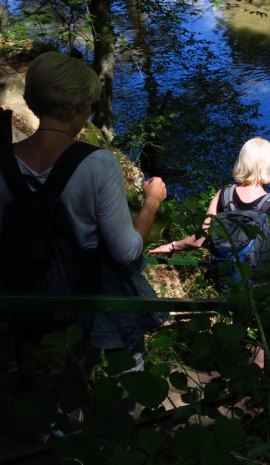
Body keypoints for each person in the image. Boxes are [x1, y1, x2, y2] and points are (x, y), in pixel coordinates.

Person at [0, 51, 168, 385]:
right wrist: (151, 202)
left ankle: (66, 423)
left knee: (71, 370)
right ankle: (120, 429)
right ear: (80, 108)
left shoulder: (3, 163)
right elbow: (125, 251)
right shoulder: (97, 164)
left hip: (27, 297)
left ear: (32, 103)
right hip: (89, 297)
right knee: (130, 371)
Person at [148, 136, 270, 264]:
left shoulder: (223, 195)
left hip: (225, 284)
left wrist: (172, 245)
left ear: (242, 162)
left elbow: (197, 241)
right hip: (262, 287)